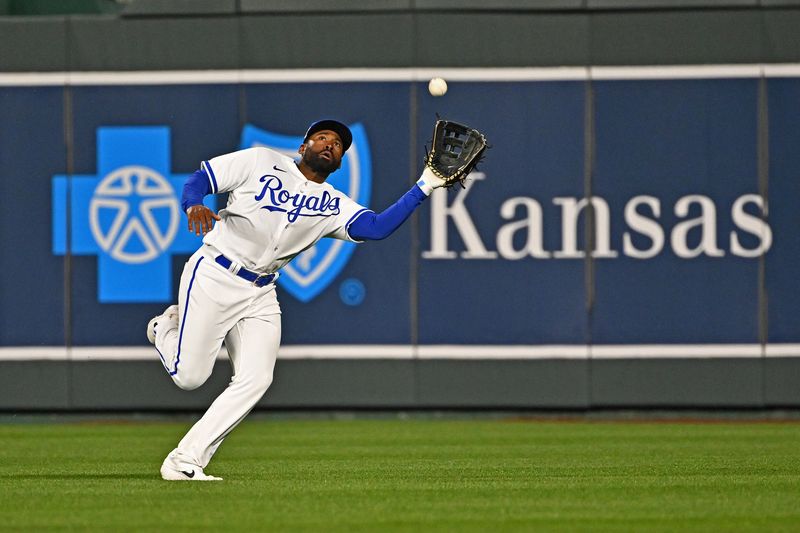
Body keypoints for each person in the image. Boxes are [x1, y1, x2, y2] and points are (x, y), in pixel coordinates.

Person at [147, 119, 448, 481]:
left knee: (256, 379)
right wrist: (192, 203)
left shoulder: (333, 203)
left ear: (339, 162)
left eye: (337, 144)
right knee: (189, 378)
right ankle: (166, 327)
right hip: (215, 273)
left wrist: (425, 186)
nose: (329, 144)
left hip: (259, 293)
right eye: (321, 137)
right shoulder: (260, 161)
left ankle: (185, 460)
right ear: (303, 146)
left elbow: (376, 228)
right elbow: (201, 179)